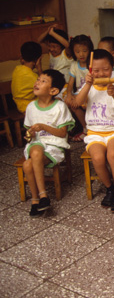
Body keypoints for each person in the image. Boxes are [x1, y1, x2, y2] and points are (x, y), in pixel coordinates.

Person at [75, 49, 114, 213]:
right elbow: (77, 102)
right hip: (95, 132)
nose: (101, 73)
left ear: (112, 68)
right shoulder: (88, 86)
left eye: (105, 69)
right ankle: (110, 187)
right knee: (98, 158)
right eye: (96, 70)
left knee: (113, 155)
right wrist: (87, 84)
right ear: (90, 71)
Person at [22, 69, 74, 216]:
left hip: (55, 146)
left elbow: (63, 133)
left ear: (53, 90)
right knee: (36, 150)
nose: (37, 82)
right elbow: (28, 137)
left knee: (28, 164)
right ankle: (41, 198)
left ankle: (36, 199)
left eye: (43, 81)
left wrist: (44, 127)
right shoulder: (31, 107)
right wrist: (30, 135)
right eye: (38, 79)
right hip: (36, 145)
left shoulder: (60, 107)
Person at [65, 35, 94, 141]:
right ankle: (85, 128)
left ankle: (92, 128)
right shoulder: (74, 65)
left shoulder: (92, 64)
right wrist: (69, 95)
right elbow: (70, 82)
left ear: (90, 50)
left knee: (83, 104)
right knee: (73, 105)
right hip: (79, 93)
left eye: (84, 51)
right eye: (77, 52)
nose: (81, 54)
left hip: (91, 93)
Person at [11, 41, 42, 113]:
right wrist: (39, 69)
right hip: (27, 106)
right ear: (38, 60)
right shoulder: (32, 76)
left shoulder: (17, 69)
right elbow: (45, 87)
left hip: (19, 104)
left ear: (22, 56)